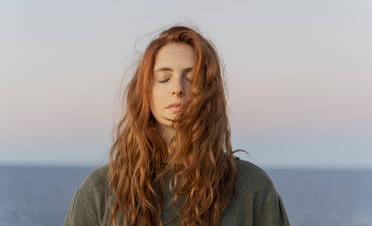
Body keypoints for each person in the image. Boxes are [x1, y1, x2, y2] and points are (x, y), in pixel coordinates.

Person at [63, 25, 291, 226]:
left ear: (209, 90)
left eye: (191, 78)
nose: (177, 88)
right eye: (164, 78)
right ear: (145, 90)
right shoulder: (100, 189)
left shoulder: (251, 187)